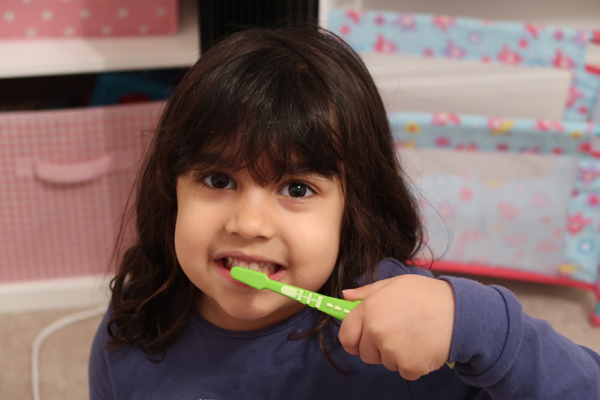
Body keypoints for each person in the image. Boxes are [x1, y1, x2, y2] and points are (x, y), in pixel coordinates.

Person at [88, 24, 600, 399]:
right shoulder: (135, 324)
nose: (246, 224)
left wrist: (475, 325)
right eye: (218, 180)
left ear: (352, 205)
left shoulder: (402, 329)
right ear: (172, 188)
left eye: (296, 188)